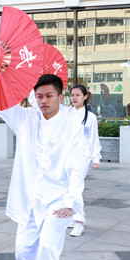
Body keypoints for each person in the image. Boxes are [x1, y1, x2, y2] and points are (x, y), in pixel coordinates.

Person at [0, 52, 88, 260]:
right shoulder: (26, 119)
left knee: (46, 251)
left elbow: (78, 163)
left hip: (58, 203)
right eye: (39, 96)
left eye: (49, 96)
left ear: (60, 97)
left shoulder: (72, 124)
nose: (43, 101)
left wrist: (72, 200)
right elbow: (0, 104)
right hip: (30, 201)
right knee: (22, 254)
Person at [30, 85, 101, 237]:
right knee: (68, 186)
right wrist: (33, 88)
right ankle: (72, 216)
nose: (74, 98)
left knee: (76, 185)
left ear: (85, 97)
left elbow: (94, 139)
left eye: (78, 95)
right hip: (65, 155)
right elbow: (41, 105)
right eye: (72, 95)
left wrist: (96, 158)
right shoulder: (66, 112)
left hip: (82, 156)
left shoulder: (91, 117)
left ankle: (79, 221)